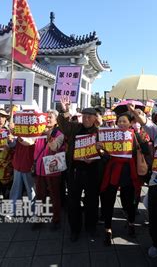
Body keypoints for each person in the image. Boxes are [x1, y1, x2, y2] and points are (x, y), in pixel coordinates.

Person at [99, 112, 149, 246]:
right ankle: (108, 229)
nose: (121, 123)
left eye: (124, 121)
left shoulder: (136, 135)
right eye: (119, 121)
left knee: (129, 202)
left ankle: (131, 223)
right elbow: (104, 156)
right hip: (112, 170)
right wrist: (100, 149)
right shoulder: (110, 135)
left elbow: (146, 151)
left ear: (130, 123)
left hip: (129, 172)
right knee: (109, 200)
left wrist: (142, 143)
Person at [58, 96, 101, 241]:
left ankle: (91, 226)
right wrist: (64, 111)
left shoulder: (101, 132)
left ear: (95, 118)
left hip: (93, 171)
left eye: (90, 116)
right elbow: (63, 125)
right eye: (84, 116)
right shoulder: (75, 127)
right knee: (73, 201)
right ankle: (74, 229)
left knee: (92, 201)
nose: (87, 119)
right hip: (75, 171)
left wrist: (98, 153)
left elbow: (108, 153)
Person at [33, 109, 65, 230]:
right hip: (39, 168)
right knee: (39, 195)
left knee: (54, 195)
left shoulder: (59, 133)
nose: (48, 119)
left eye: (50, 117)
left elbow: (55, 147)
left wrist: (49, 136)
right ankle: (39, 218)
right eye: (46, 116)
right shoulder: (38, 132)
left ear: (56, 120)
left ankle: (56, 219)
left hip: (53, 168)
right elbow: (29, 142)